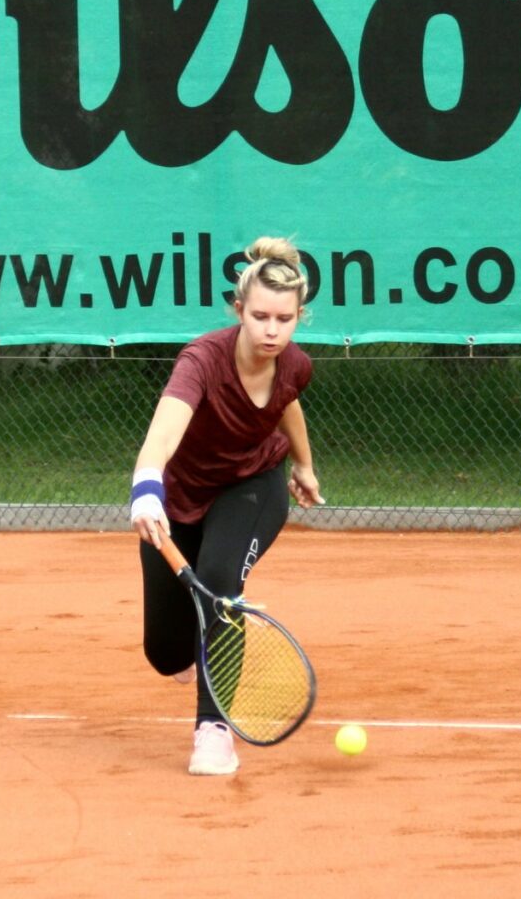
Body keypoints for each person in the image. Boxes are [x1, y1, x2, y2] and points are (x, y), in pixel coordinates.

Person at [130, 236, 324, 775]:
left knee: (220, 587)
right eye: (260, 316)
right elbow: (164, 429)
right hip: (180, 497)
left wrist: (303, 466)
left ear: (299, 317)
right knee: (165, 653)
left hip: (252, 487)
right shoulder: (202, 360)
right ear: (238, 310)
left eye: (284, 319)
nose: (271, 330)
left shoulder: (295, 364)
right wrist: (146, 487)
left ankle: (213, 731)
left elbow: (287, 403)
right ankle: (195, 656)